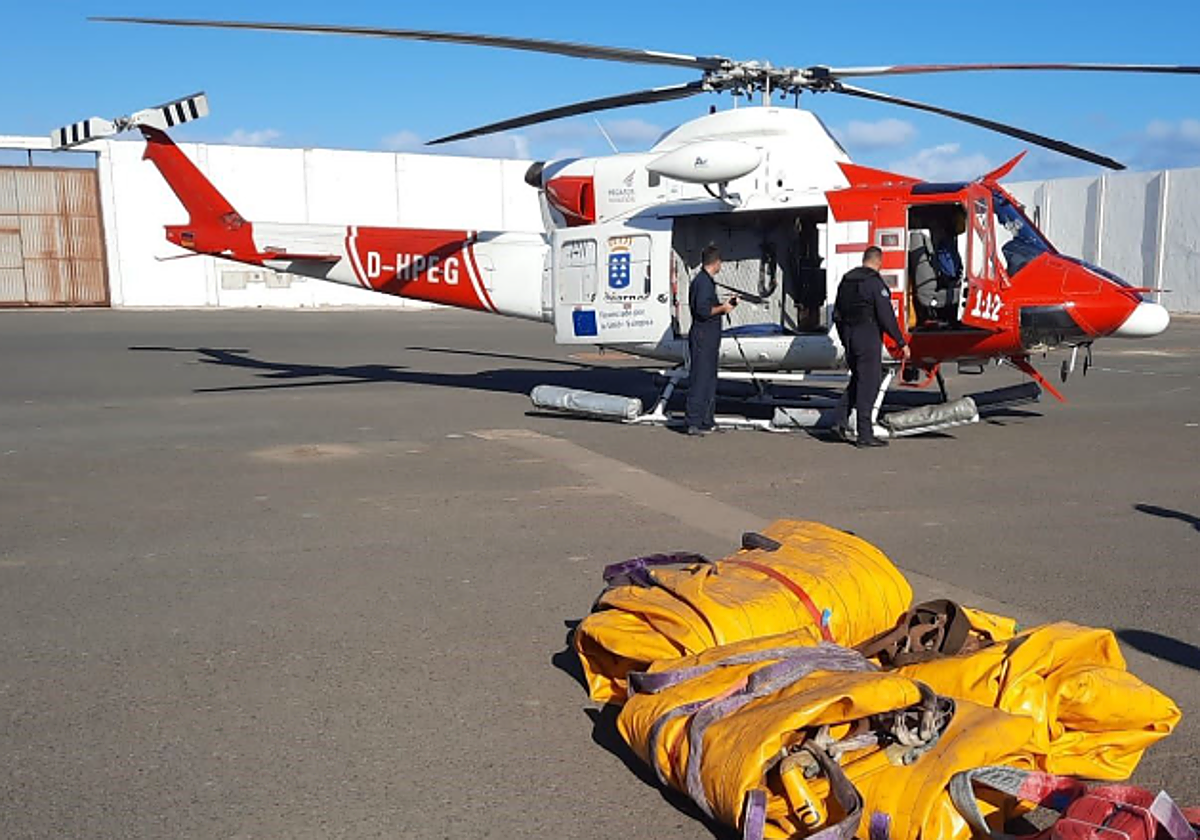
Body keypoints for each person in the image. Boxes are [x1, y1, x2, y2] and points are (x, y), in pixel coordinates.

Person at [832, 246, 911, 448]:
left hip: (849, 334)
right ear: (879, 262)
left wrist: (844, 339)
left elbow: (837, 314)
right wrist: (901, 342)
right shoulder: (874, 282)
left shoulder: (847, 280)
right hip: (866, 335)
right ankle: (864, 434)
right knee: (869, 384)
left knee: (858, 379)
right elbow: (886, 316)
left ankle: (838, 421)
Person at [685, 245, 738, 436]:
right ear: (715, 262)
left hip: (709, 336)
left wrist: (724, 305)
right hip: (703, 336)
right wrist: (723, 308)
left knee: (709, 379)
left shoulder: (706, 282)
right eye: (720, 261)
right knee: (700, 378)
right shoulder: (703, 283)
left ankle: (707, 420)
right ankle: (693, 421)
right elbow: (703, 310)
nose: (721, 264)